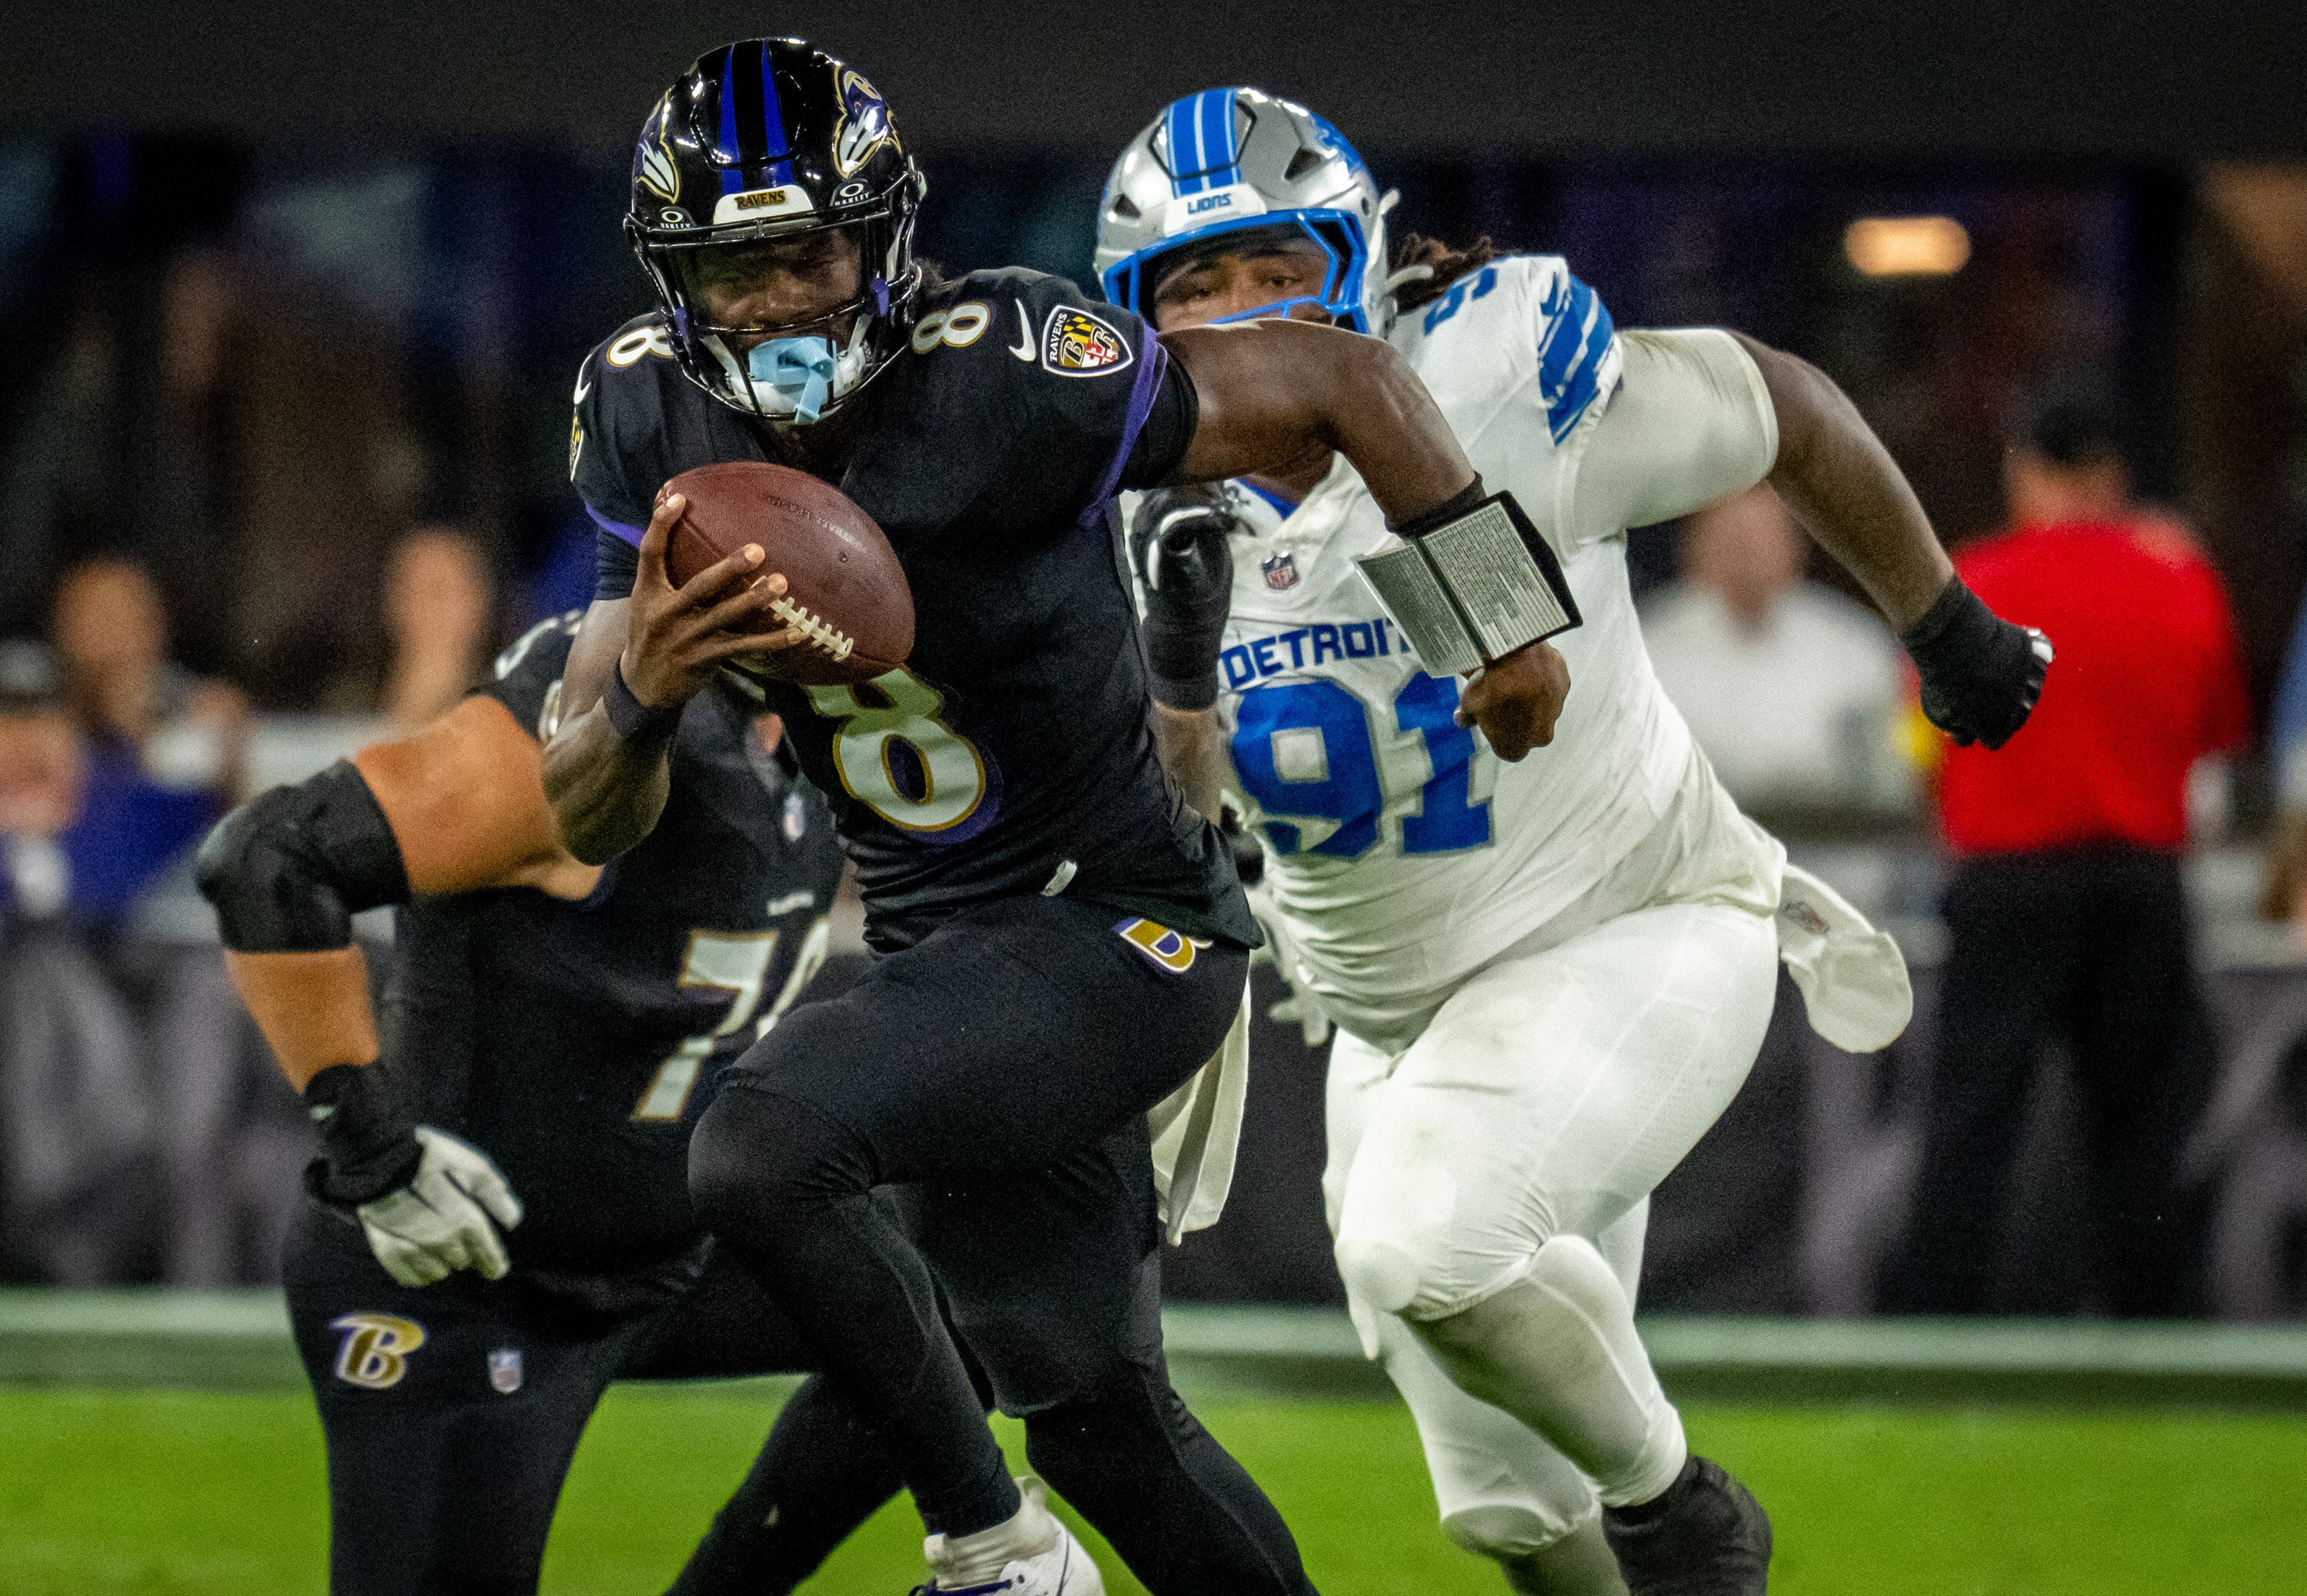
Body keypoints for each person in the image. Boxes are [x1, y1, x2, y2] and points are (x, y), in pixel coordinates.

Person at [543, 39, 1561, 1596]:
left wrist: (1501, 623)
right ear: (677, 277)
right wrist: (641, 696)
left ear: (880, 235)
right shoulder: (641, 409)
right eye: (733, 267)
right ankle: (1030, 1515)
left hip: (1118, 927)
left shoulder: (1013, 365)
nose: (780, 299)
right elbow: (590, 812)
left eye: (808, 248)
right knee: (1098, 1420)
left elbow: (1349, 379)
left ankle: (993, 1554)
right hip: (955, 950)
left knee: (761, 1143)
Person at [1097, 88, 2048, 1596]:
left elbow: (1780, 403)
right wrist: (1172, 669)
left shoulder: (1487, 384)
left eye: (1274, 268)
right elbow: (1181, 815)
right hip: (1393, 1020)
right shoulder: (1126, 501)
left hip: (1631, 925)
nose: (1241, 317)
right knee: (1513, 1514)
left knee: (1420, 1248)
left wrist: (1943, 616)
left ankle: (1685, 1512)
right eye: (1194, 286)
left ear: (1352, 259)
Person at [195, 608, 891, 1596]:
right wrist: (374, 1155)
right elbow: (266, 862)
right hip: (470, 1280)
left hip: (669, 1261)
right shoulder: (597, 718)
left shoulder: (815, 726)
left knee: (978, 1297)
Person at [1883, 400, 2247, 1318]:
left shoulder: (1969, 580)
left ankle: (1934, 1326)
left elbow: (1921, 748)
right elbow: (2215, 737)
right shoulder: (2180, 579)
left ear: (2024, 471)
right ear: (2115, 475)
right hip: (2139, 884)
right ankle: (2158, 1328)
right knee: (2144, 1125)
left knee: (1971, 1121)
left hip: (2006, 882)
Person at [1640, 484, 1913, 820]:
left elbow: (1894, 776)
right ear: (1696, 549)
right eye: (1734, 542)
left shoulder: (1855, 645)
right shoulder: (1647, 647)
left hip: (1833, 849)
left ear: (1796, 547)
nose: (1750, 557)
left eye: (1764, 540)